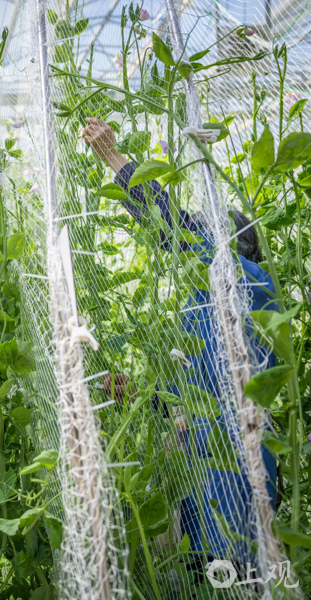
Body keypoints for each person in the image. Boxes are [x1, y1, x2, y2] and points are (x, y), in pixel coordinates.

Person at [83, 118, 280, 571]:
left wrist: (114, 157)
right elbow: (197, 391)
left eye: (210, 232)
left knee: (241, 569)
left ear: (235, 246)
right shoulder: (207, 303)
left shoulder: (252, 286)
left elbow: (174, 224)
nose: (197, 242)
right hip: (203, 485)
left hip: (234, 484)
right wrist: (143, 397)